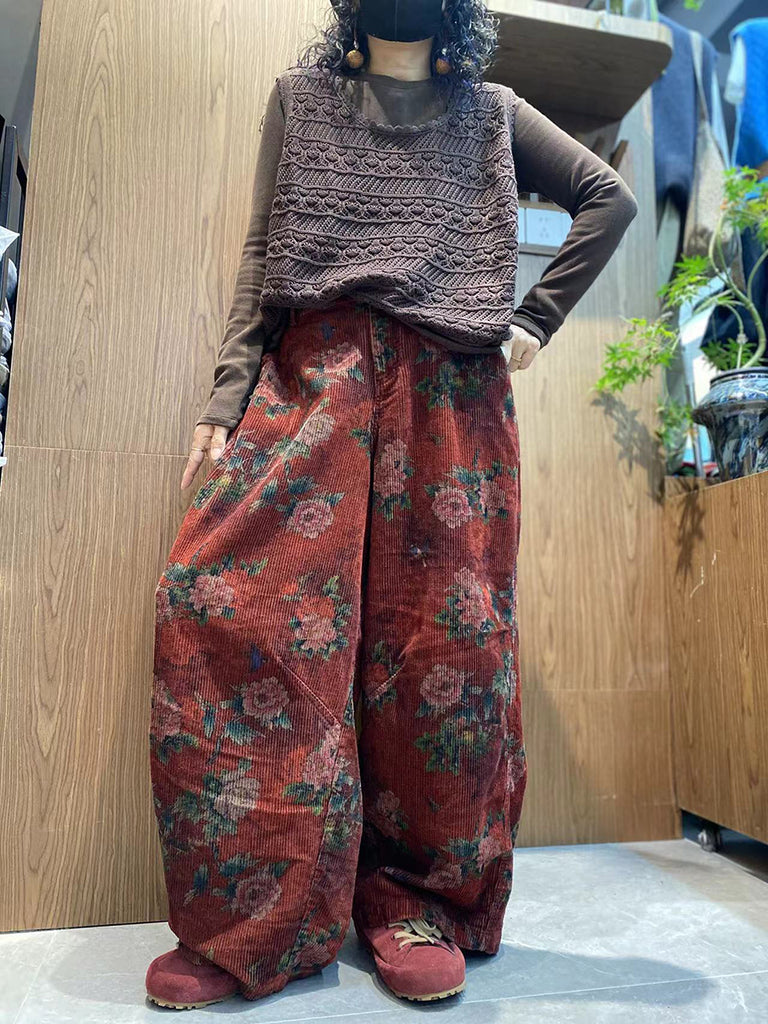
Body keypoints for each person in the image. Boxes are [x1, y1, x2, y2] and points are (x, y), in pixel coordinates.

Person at [145, 0, 638, 1010]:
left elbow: (608, 198)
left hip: (452, 396)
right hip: (312, 380)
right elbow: (261, 260)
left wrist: (535, 321)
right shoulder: (301, 101)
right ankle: (256, 918)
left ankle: (414, 903)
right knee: (223, 606)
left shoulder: (494, 111)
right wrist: (225, 400)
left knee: (440, 648)